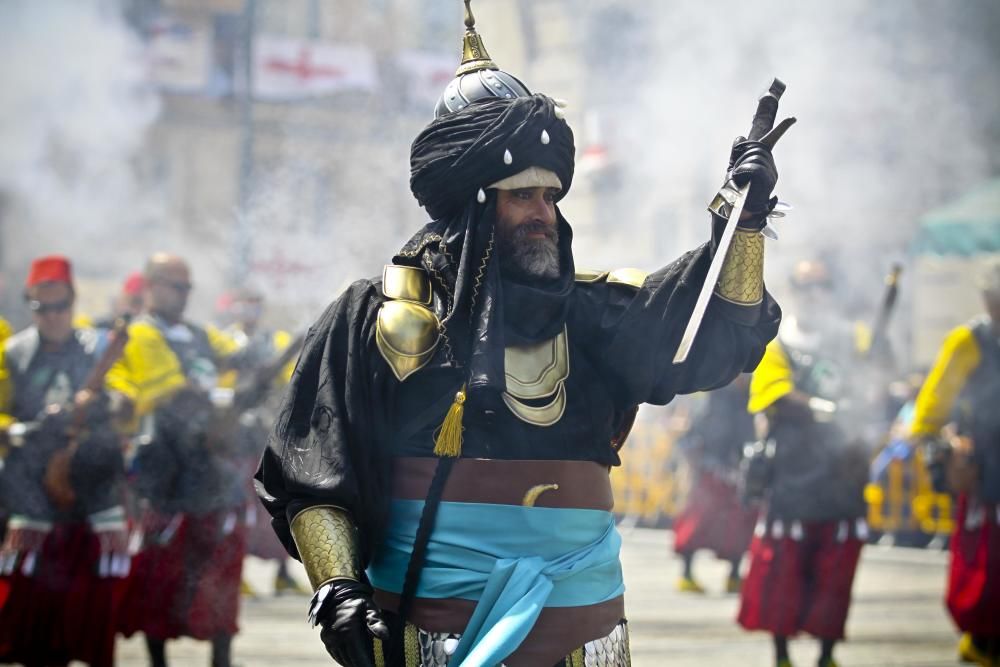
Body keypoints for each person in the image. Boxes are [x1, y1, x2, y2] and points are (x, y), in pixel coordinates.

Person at [255, 5, 783, 666]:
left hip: (583, 638)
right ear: (476, 202)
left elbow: (721, 328)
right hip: (432, 634)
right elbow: (310, 474)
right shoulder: (370, 316)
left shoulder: (592, 313)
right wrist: (336, 587)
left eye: (551, 197)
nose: (545, 214)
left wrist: (747, 219)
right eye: (523, 196)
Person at [108, 253, 248, 667]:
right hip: (163, 475)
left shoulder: (202, 335)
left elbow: (238, 357)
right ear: (150, 285)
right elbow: (159, 388)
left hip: (212, 473)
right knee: (159, 580)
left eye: (187, 288)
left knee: (220, 576)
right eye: (175, 286)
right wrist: (198, 391)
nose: (183, 295)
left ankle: (222, 659)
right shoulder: (135, 335)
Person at [737, 259, 873, 667]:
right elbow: (773, 395)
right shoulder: (777, 344)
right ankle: (781, 652)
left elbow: (874, 378)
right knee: (784, 571)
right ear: (795, 290)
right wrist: (825, 407)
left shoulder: (852, 339)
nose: (815, 294)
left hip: (841, 473)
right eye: (806, 286)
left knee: (835, 570)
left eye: (823, 286)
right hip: (794, 473)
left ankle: (828, 652)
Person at [0, 255, 131, 667]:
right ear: (31, 306)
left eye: (60, 307)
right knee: (29, 616)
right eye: (42, 308)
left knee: (89, 614)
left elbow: (129, 397)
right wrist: (19, 429)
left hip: (91, 493)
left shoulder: (99, 347)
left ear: (72, 303)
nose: (52, 316)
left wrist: (103, 399)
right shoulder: (14, 352)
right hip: (32, 493)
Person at [909, 261, 1000, 666]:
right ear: (988, 301)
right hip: (986, 465)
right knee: (986, 560)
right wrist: (946, 442)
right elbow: (930, 410)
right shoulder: (969, 340)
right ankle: (981, 637)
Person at [216, 287, 308, 597]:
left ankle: (282, 573)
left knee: (276, 502)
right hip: (236, 436)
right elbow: (222, 383)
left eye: (255, 305)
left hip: (268, 434)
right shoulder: (224, 341)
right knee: (239, 505)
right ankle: (235, 572)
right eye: (245, 304)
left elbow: (290, 381)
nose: (250, 311)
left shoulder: (275, 341)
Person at [672, 375, 757, 594]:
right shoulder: (716, 391)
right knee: (699, 520)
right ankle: (687, 574)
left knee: (740, 523)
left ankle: (734, 575)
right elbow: (704, 429)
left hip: (739, 470)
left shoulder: (748, 396)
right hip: (711, 467)